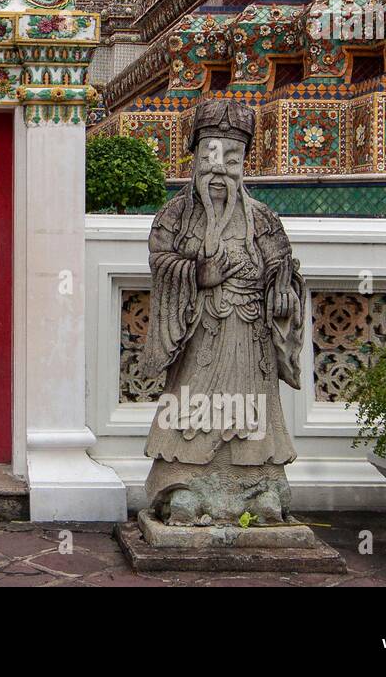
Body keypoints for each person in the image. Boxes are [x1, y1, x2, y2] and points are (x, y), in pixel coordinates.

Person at [136, 100, 304, 527]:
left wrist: (281, 292)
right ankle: (183, 488)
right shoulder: (174, 217)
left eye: (232, 159)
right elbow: (161, 262)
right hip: (199, 336)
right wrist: (197, 273)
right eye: (210, 156)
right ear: (194, 157)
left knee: (254, 416)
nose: (220, 169)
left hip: (249, 338)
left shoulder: (263, 220)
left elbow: (284, 267)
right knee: (191, 414)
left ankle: (260, 488)